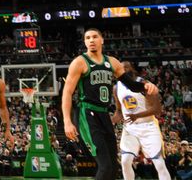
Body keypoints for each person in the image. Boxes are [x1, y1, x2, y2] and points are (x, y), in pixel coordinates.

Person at [62, 28, 158, 180]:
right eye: (87, 38)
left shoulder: (112, 62)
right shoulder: (79, 62)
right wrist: (67, 121)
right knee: (105, 166)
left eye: (94, 37)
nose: (91, 40)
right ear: (85, 42)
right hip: (86, 114)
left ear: (102, 40)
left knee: (113, 168)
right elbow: (67, 92)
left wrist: (146, 86)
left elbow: (131, 85)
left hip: (103, 114)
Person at [112, 61, 170, 180]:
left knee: (159, 163)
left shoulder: (144, 84)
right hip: (130, 128)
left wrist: (137, 115)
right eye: (121, 69)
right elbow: (118, 111)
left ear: (132, 69)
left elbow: (157, 109)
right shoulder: (116, 87)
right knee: (125, 161)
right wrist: (110, 121)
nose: (124, 70)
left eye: (126, 67)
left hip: (148, 126)